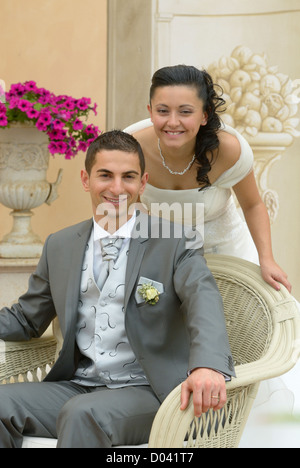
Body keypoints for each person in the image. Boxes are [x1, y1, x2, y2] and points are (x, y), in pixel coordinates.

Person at [0, 130, 235, 448]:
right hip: (78, 385)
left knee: (83, 414)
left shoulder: (175, 240)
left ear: (143, 182)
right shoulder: (60, 245)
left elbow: (203, 301)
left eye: (128, 177)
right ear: (86, 179)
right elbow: (27, 318)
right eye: (105, 175)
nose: (116, 188)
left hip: (151, 391)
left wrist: (207, 365)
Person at [124, 64, 291, 294]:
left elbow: (253, 205)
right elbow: (116, 208)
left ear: (204, 115)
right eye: (163, 111)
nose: (173, 122)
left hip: (227, 252)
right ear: (150, 111)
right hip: (165, 253)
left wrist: (267, 259)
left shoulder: (229, 149)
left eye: (185, 111)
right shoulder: (129, 149)